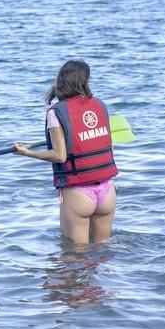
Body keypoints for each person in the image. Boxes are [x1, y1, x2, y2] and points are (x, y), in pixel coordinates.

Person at [14, 60, 118, 244]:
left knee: (74, 257)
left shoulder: (55, 112)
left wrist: (26, 153)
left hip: (78, 193)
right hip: (107, 190)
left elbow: (59, 155)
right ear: (85, 81)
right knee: (103, 252)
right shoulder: (100, 106)